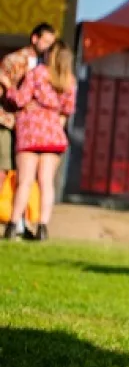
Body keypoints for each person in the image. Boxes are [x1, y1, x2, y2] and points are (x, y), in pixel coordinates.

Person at [2, 40, 76, 241]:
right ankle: (42, 227)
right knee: (46, 183)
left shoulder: (37, 73)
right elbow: (68, 109)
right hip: (53, 133)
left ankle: (12, 226)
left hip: (31, 131)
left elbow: (20, 99)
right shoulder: (69, 80)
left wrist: (7, 84)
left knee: (24, 181)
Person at [0, 22, 58, 240]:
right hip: (8, 122)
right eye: (46, 41)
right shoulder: (14, 61)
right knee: (4, 170)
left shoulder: (47, 69)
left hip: (30, 129)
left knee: (25, 178)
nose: (48, 46)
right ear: (35, 39)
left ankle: (21, 223)